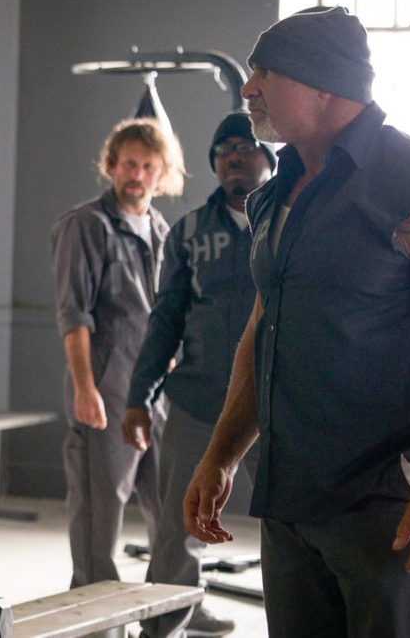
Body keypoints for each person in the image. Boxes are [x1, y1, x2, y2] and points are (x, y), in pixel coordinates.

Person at [185, 7, 410, 636]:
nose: (248, 90)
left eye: (265, 74)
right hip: (289, 498)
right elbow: (264, 330)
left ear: (324, 85)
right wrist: (221, 455)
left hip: (388, 504)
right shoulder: (274, 195)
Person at [123, 112, 274, 638]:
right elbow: (165, 320)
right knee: (178, 525)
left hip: (273, 405)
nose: (235, 157)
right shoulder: (188, 232)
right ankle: (166, 624)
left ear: (268, 157)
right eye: (224, 150)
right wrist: (139, 397)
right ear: (213, 163)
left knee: (291, 526)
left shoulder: (290, 222)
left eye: (245, 147)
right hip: (197, 402)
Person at [52, 116, 185, 587]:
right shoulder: (85, 226)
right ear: (111, 165)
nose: (138, 175)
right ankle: (95, 606)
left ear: (162, 173)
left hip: (158, 389)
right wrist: (85, 388)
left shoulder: (162, 230)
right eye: (129, 163)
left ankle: (172, 608)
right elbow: (74, 315)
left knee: (168, 502)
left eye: (148, 166)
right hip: (107, 385)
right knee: (100, 505)